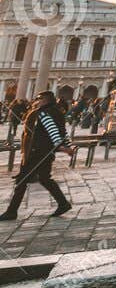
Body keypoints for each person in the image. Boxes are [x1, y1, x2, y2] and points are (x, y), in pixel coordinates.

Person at [1, 91, 72, 220]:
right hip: (46, 152)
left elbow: (53, 130)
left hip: (37, 152)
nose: (36, 101)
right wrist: (66, 145)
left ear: (45, 100)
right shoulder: (57, 112)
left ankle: (12, 211)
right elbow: (63, 131)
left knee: (22, 180)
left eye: (39, 99)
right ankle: (63, 203)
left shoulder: (43, 113)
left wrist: (61, 146)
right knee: (45, 178)